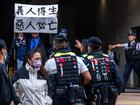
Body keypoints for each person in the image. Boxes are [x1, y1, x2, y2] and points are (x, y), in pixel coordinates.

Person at [44, 35, 91, 105]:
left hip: (58, 97)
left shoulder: (50, 62)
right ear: (66, 44)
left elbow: (45, 80)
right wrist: (79, 85)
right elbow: (88, 78)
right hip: (76, 96)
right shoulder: (78, 59)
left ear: (54, 46)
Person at [83, 36, 124, 105]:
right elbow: (120, 79)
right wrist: (117, 91)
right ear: (100, 47)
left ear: (89, 47)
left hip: (93, 93)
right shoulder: (109, 59)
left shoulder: (86, 60)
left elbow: (84, 78)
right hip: (110, 93)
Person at [0, 39, 22, 105]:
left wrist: (17, 101)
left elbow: (9, 85)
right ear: (3, 51)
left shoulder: (3, 66)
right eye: (5, 49)